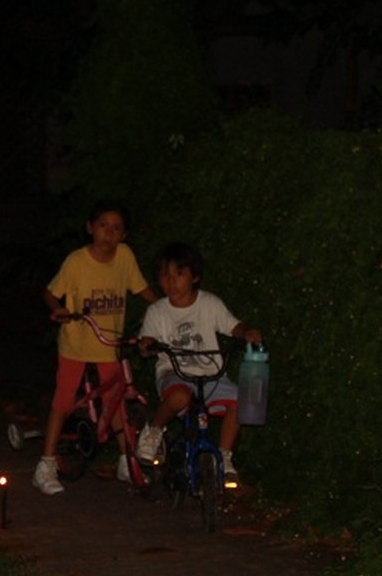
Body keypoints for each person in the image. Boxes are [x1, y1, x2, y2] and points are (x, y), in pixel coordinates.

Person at [35, 200, 157, 495]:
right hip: (77, 342)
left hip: (109, 343)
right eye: (103, 226)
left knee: (116, 402)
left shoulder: (125, 257)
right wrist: (60, 309)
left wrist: (166, 310)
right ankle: (46, 464)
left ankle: (125, 460)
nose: (109, 233)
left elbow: (141, 289)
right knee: (63, 400)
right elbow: (50, 293)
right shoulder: (77, 262)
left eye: (116, 229)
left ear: (124, 235)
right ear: (90, 228)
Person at [134, 242, 261, 487]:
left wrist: (247, 332)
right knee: (180, 396)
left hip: (212, 375)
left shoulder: (209, 304)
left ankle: (224, 455)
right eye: (164, 276)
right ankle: (154, 430)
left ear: (195, 276)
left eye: (179, 274)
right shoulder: (157, 311)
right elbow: (146, 342)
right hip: (175, 373)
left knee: (241, 399)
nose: (171, 282)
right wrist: (146, 344)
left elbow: (233, 326)